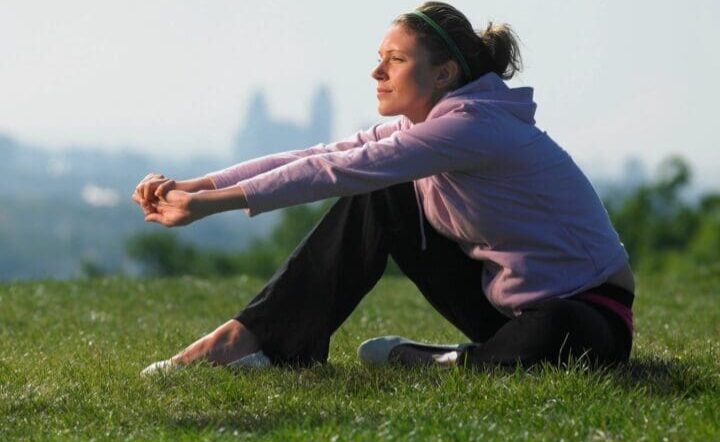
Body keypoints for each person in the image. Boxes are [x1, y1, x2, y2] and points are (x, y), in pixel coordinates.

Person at [134, 1, 635, 374]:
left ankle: (439, 362)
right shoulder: (427, 126)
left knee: (555, 334)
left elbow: (338, 171)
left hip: (589, 316)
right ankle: (264, 343)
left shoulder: (473, 126)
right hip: (507, 309)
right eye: (380, 58)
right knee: (383, 193)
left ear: (444, 74)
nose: (377, 71)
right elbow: (323, 156)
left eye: (394, 60)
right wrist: (196, 186)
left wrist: (207, 207)